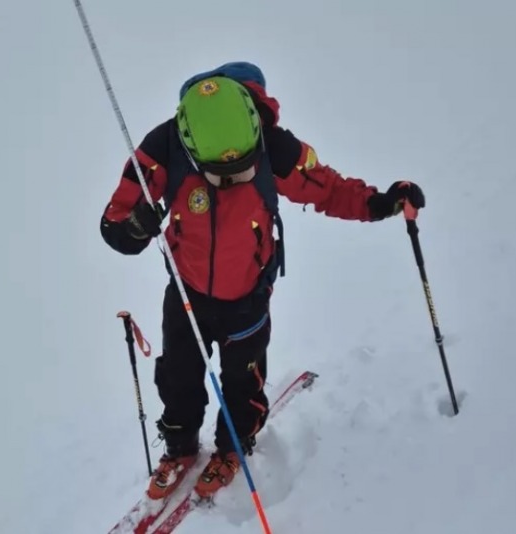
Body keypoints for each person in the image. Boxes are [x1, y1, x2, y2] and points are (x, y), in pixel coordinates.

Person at [99, 61, 425, 501]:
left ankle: (233, 446)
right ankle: (179, 447)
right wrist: (131, 228)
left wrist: (382, 202)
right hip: (187, 292)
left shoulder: (275, 146)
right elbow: (117, 218)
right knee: (178, 374)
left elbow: (329, 189)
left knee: (243, 379)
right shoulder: (164, 145)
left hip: (248, 294)